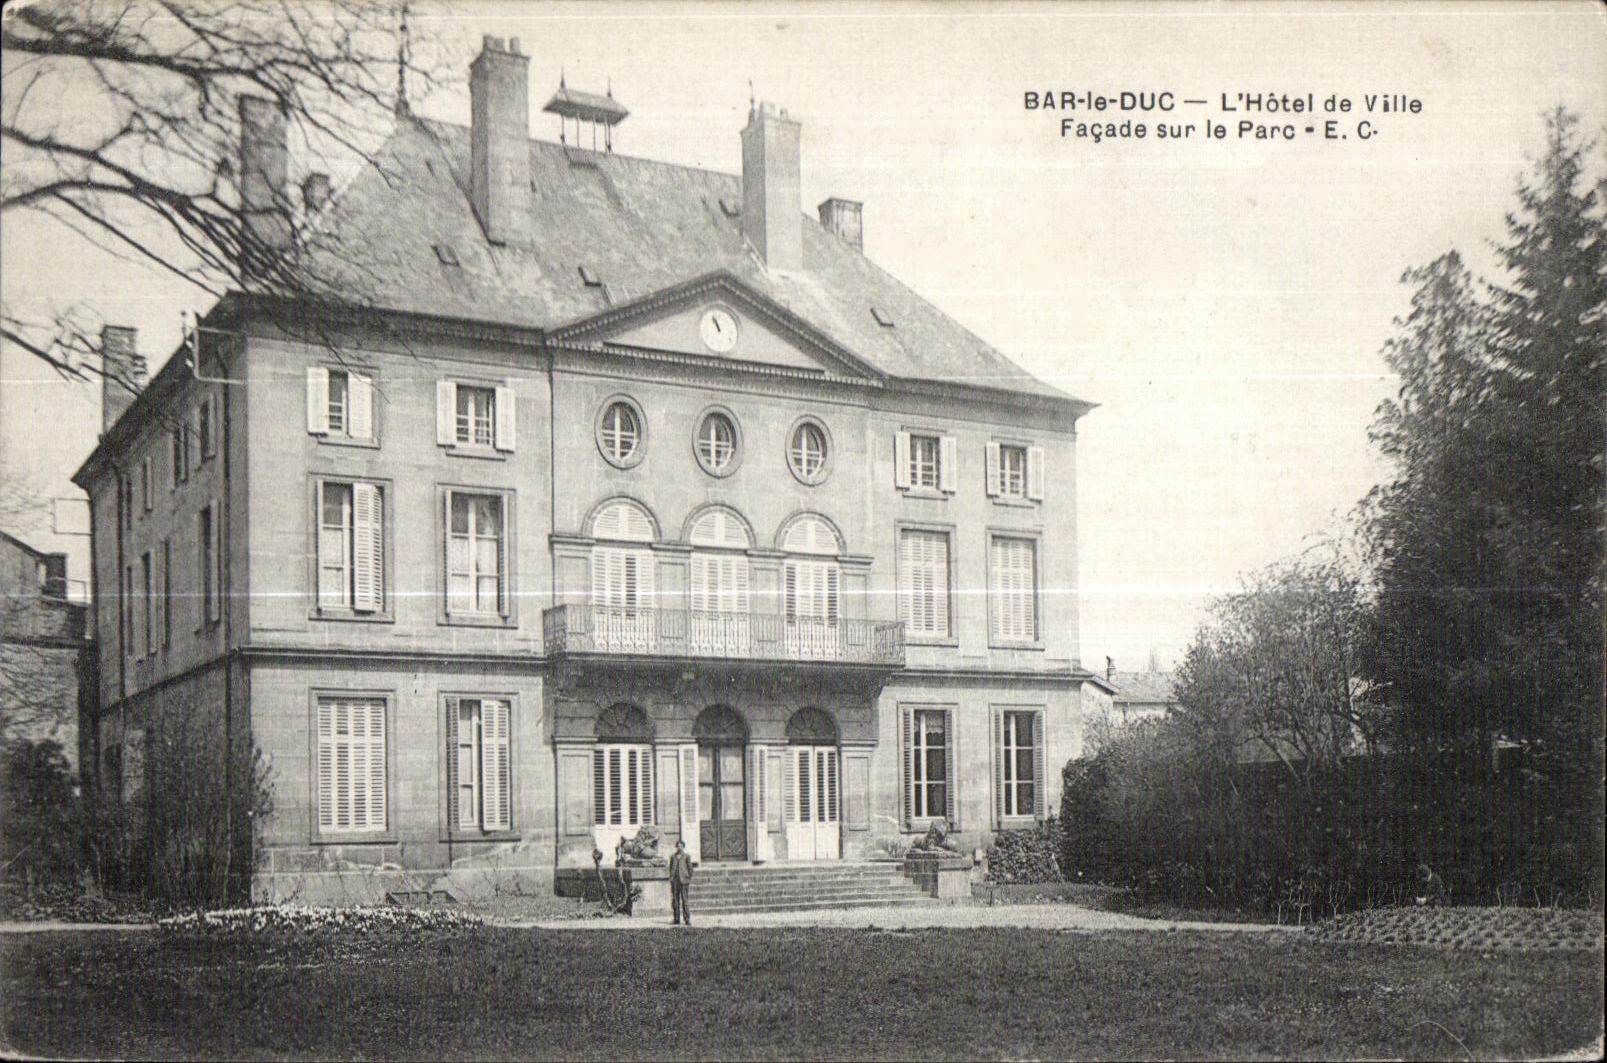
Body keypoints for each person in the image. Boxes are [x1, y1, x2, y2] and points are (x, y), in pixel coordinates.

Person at [669, 839, 694, 926]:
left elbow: (690, 869)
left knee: (685, 900)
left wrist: (688, 877)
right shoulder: (673, 856)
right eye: (678, 846)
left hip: (684, 881)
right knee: (675, 901)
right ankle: (676, 919)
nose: (679, 847)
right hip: (675, 881)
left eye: (681, 846)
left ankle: (687, 919)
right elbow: (671, 868)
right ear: (676, 847)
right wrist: (671, 878)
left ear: (683, 847)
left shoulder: (687, 856)